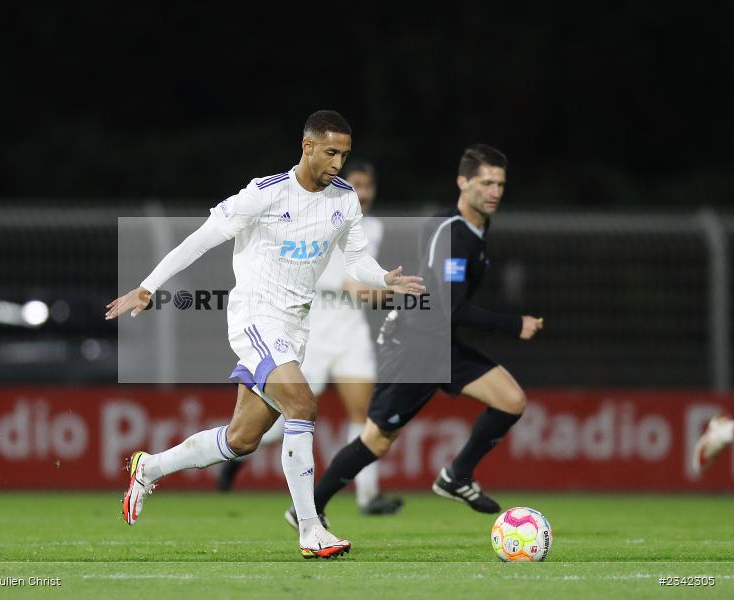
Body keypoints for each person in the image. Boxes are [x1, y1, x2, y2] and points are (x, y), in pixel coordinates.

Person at [105, 110, 425, 559]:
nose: (338, 162)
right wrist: (148, 286)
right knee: (303, 404)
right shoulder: (265, 193)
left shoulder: (344, 199)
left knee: (241, 439)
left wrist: (384, 278)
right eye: (331, 152)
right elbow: (202, 238)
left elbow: (356, 261)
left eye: (345, 154)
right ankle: (311, 528)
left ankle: (150, 467)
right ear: (307, 147)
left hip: (296, 327)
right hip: (255, 318)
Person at [298, 144, 543, 527]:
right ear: (463, 182)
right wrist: (514, 325)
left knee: (512, 401)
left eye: (499, 184)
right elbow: (452, 308)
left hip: (441, 344)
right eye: (485, 183)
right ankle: (308, 510)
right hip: (413, 347)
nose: (494, 191)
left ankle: (456, 476)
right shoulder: (450, 232)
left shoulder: (477, 228)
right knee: (377, 439)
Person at [216, 161, 404, 517]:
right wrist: (360, 287)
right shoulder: (317, 214)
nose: (363, 193)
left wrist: (381, 288)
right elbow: (321, 275)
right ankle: (240, 452)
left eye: (368, 186)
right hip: (313, 329)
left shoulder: (372, 227)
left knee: (362, 412)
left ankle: (368, 496)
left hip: (351, 332)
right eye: (357, 184)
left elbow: (361, 276)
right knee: (289, 411)